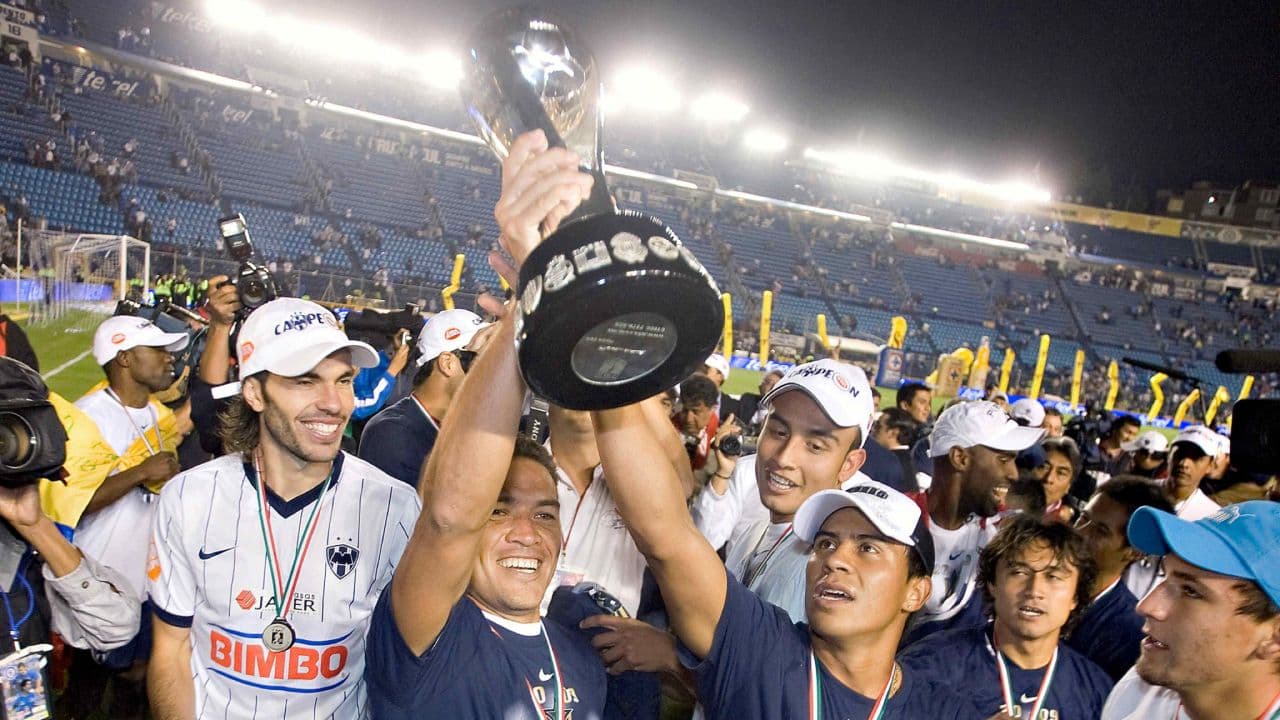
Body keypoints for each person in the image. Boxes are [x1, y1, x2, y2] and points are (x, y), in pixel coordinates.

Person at [363, 129, 606, 719]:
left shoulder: (587, 654)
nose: (528, 531)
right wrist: (534, 290)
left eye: (544, 513)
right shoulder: (425, 631)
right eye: (499, 509)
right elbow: (447, 519)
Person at [593, 395, 981, 718]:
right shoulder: (762, 651)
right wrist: (608, 387)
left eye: (867, 548)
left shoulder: (940, 711)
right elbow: (666, 536)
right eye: (825, 543)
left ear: (916, 592)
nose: (835, 560)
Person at [147, 297, 421, 718]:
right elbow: (171, 650)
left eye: (344, 380)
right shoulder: (188, 498)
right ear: (254, 392)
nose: (334, 403)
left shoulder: (396, 508)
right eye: (305, 381)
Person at [899, 514, 1113, 718]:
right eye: (1019, 572)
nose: (1034, 590)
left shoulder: (1096, 691)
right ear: (992, 583)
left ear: (1075, 596)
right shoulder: (928, 665)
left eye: (1054, 577)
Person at [1100, 501, 1280, 720]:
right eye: (1164, 576)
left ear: (1274, 637)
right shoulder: (1136, 691)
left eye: (1191, 591)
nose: (1146, 606)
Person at [905, 400, 1045, 643]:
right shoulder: (892, 523)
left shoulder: (1005, 537)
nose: (1013, 473)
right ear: (960, 457)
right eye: (1003, 459)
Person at [357, 308, 491, 487]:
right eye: (484, 359)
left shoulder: (457, 426)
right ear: (447, 363)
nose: (494, 372)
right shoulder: (392, 433)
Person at [1069, 476, 1174, 680]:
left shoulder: (1131, 635)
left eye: (1100, 531)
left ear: (1135, 552)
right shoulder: (1038, 589)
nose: (1079, 532)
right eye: (1083, 518)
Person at [673, 373, 721, 473]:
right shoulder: (668, 429)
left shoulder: (716, 428)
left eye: (696, 412)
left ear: (712, 410)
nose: (688, 419)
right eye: (685, 410)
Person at [1040, 436, 1082, 524]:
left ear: (1069, 486)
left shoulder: (1071, 528)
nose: (1049, 478)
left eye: (1061, 473)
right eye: (1044, 467)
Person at [735, 368, 782, 432]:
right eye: (770, 383)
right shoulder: (747, 399)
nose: (773, 387)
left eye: (778, 385)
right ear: (760, 386)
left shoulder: (783, 413)